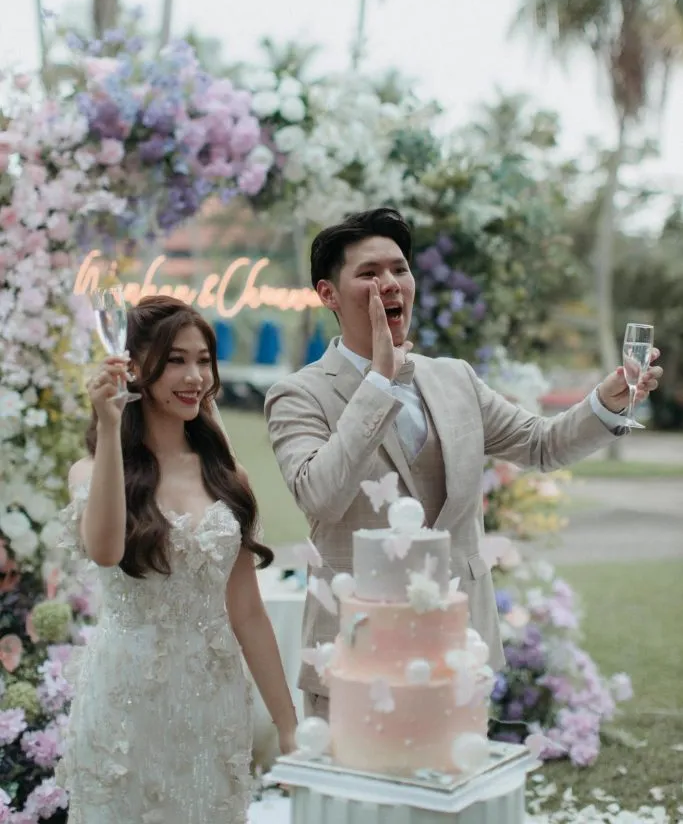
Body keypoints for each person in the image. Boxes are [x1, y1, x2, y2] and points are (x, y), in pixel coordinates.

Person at [264, 207, 662, 721]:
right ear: (328, 294)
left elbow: (541, 445)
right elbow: (319, 494)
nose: (391, 283)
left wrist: (604, 403)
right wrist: (378, 383)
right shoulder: (298, 394)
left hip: (461, 647)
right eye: (369, 273)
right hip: (355, 655)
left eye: (400, 269)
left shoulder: (454, 378)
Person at [59, 295, 297, 824]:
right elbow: (106, 551)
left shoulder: (227, 476)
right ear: (135, 369)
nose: (195, 377)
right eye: (175, 360)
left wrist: (288, 726)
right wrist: (109, 426)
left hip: (213, 703)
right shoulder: (91, 471)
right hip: (124, 705)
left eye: (203, 360)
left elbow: (248, 613)